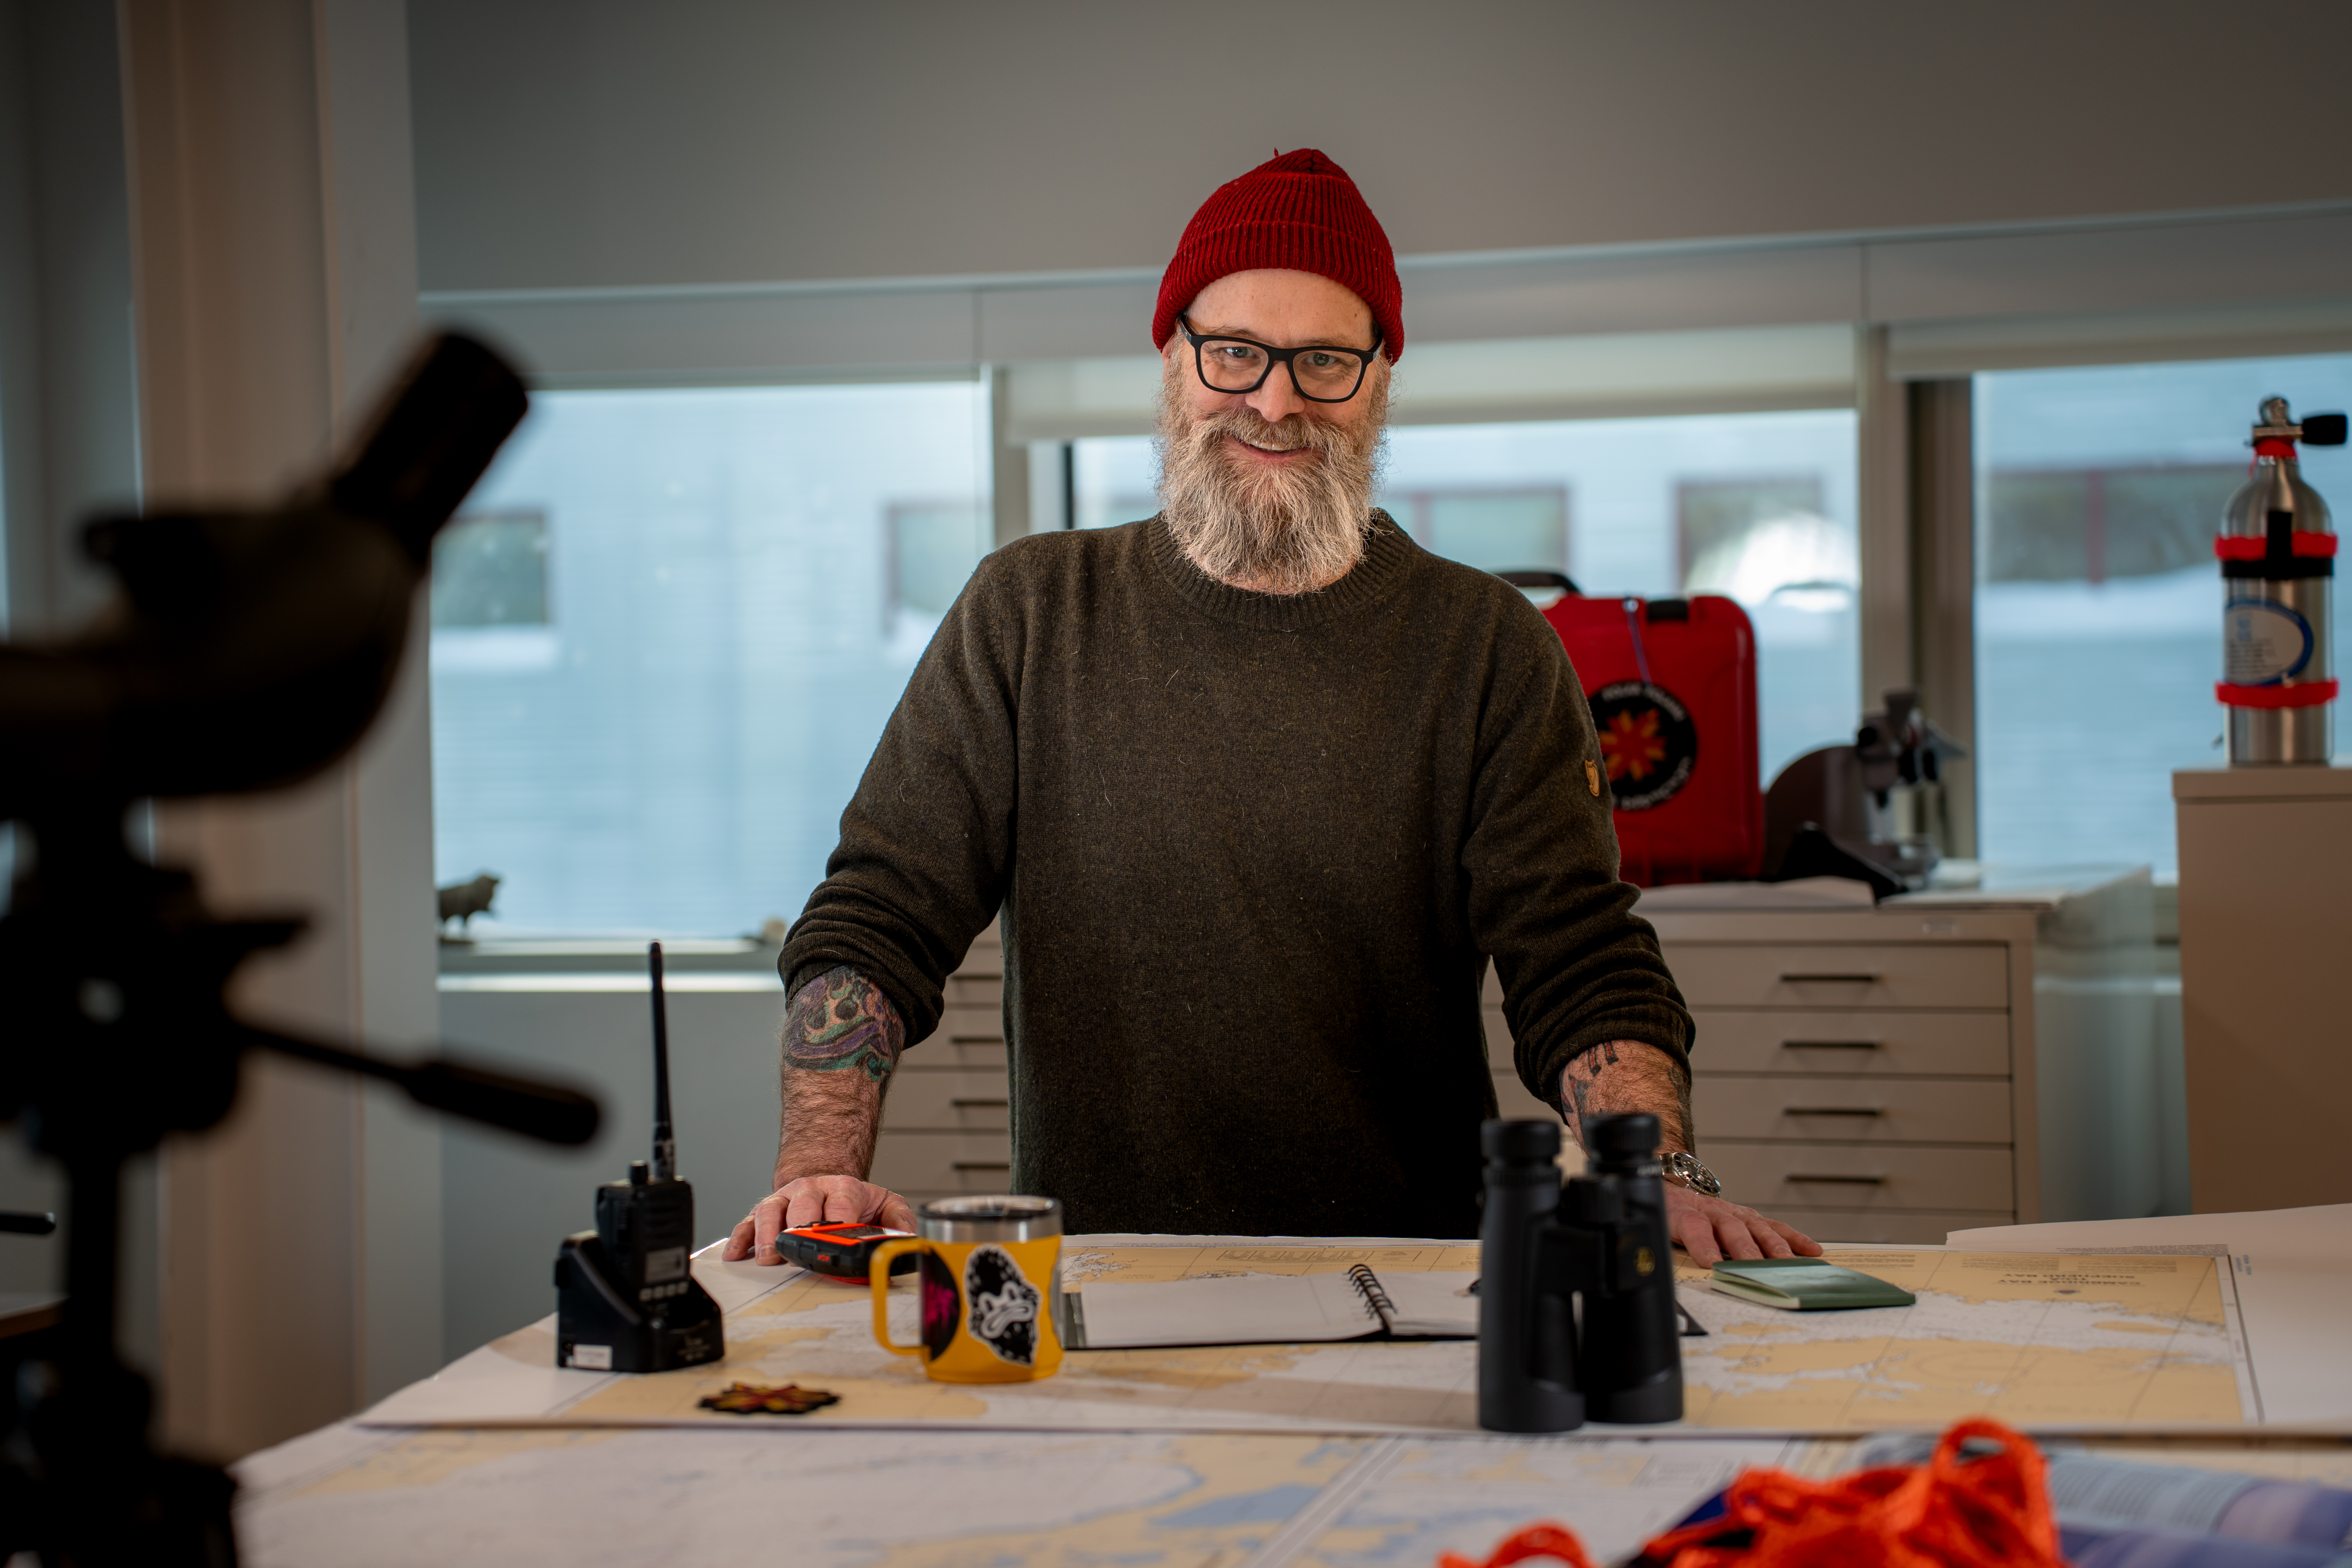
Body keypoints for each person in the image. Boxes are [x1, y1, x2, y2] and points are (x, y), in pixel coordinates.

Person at [723, 150, 1819, 1267]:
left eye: (1324, 361)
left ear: (1380, 378)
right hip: (1102, 1277)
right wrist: (820, 1170)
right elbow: (880, 913)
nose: (1275, 399)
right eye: (1235, 352)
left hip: (1418, 1284)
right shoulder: (1029, 611)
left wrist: (1657, 1177)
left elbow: (1578, 960)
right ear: (1172, 359)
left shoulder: (1488, 646)